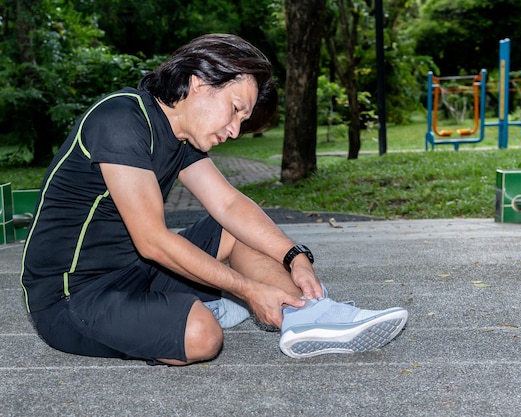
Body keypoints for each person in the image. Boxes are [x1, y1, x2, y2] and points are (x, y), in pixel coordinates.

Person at [20, 33, 407, 365]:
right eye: (235, 109)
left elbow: (230, 205)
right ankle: (210, 309)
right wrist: (248, 289)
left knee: (235, 231)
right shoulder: (120, 120)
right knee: (202, 337)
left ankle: (308, 317)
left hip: (136, 273)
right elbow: (152, 240)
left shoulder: (180, 136)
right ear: (200, 82)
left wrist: (295, 256)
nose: (235, 130)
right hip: (71, 296)